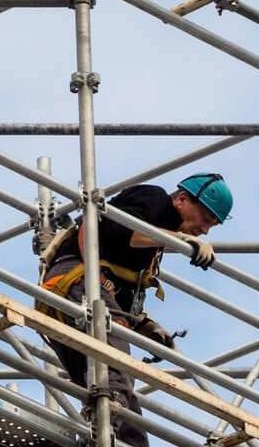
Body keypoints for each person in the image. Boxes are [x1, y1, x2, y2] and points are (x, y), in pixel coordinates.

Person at [37, 173, 232, 447]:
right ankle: (109, 426)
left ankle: (121, 440)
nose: (205, 230)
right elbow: (125, 231)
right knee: (112, 377)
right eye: (206, 219)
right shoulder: (154, 199)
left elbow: (122, 288)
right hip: (76, 283)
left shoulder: (154, 245)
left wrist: (143, 325)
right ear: (182, 200)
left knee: (107, 384)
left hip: (74, 295)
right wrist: (184, 241)